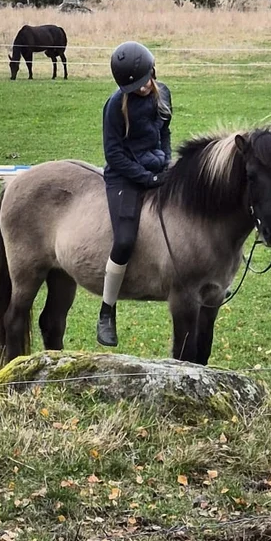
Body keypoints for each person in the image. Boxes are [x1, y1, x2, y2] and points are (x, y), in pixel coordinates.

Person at [98, 41, 172, 347]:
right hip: (124, 176)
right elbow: (114, 154)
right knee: (125, 239)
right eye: (136, 87)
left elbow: (165, 132)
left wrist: (166, 165)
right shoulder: (115, 106)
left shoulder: (164, 92)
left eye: (146, 82)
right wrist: (147, 177)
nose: (144, 89)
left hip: (158, 166)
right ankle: (106, 311)